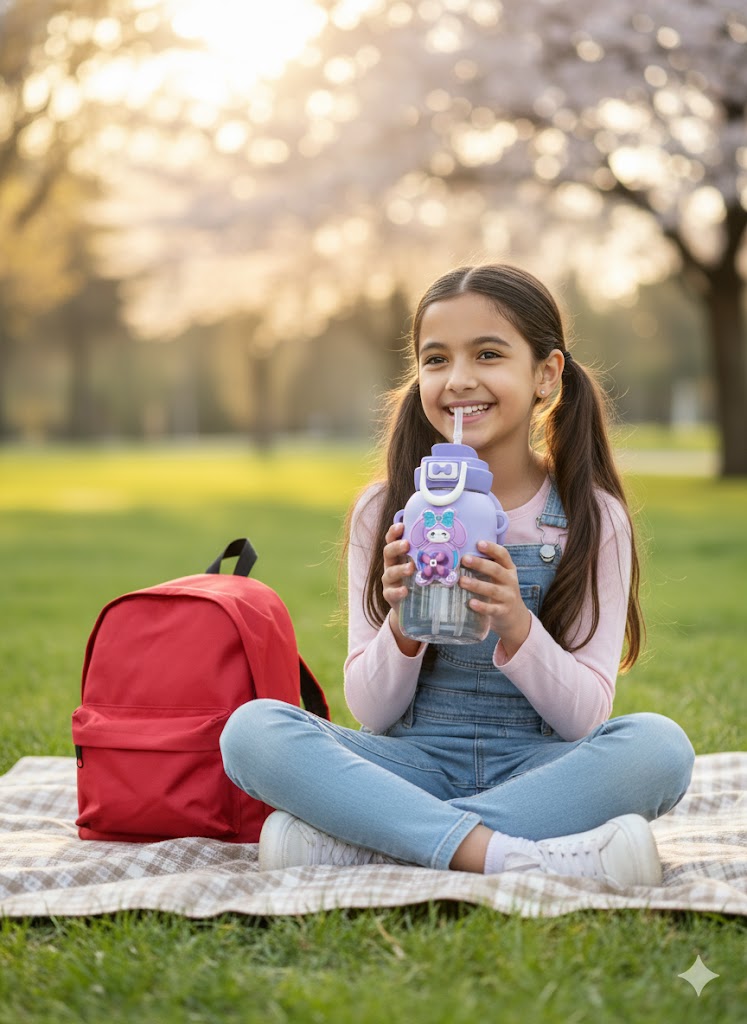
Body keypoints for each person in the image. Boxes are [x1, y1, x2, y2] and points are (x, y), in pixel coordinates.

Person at [220, 263, 695, 887]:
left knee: (660, 749)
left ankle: (377, 838)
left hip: (537, 768)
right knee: (251, 732)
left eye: (489, 354)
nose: (459, 380)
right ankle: (506, 854)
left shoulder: (590, 517)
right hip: (409, 759)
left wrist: (516, 625)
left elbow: (585, 719)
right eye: (436, 359)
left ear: (546, 374)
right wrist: (404, 622)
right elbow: (370, 708)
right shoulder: (386, 508)